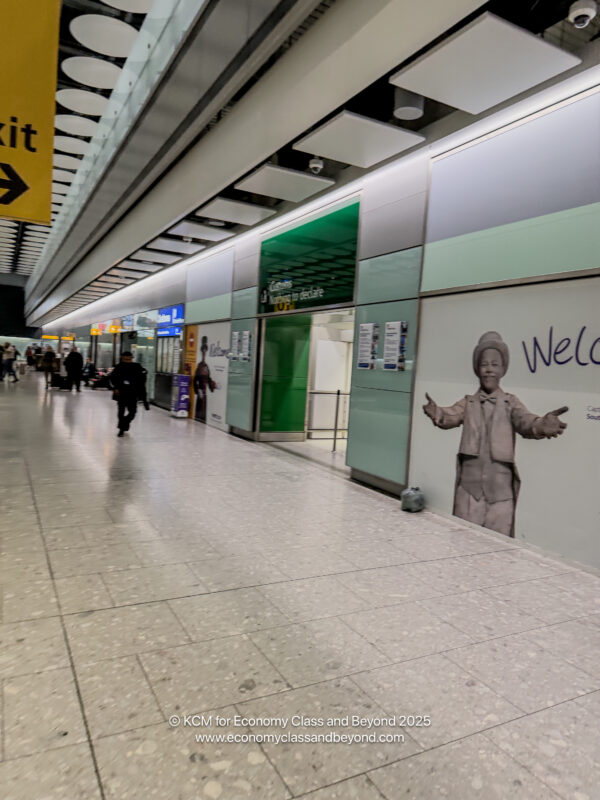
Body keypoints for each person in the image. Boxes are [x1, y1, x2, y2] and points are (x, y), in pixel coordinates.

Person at [423, 330, 568, 538]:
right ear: (477, 369)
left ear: (502, 370)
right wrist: (436, 412)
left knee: (499, 550)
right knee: (463, 544)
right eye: (484, 364)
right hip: (468, 493)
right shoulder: (468, 402)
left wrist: (542, 425)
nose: (489, 370)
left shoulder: (511, 403)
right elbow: (450, 416)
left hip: (501, 497)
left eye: (495, 364)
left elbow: (527, 422)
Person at [109, 351, 149, 437]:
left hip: (132, 393)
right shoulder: (119, 367)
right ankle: (121, 429)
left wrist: (144, 372)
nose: (127, 360)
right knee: (121, 411)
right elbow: (113, 378)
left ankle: (124, 424)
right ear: (122, 358)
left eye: (129, 358)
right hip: (121, 392)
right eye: (125, 359)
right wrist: (116, 387)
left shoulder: (137, 366)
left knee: (132, 412)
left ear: (131, 358)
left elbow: (142, 377)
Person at [193, 336, 216, 422]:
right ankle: (199, 417)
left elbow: (208, 378)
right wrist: (197, 389)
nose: (204, 352)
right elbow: (196, 379)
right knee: (200, 404)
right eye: (203, 350)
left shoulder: (206, 366)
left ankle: (201, 417)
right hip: (200, 391)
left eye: (205, 350)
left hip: (204, 392)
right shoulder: (200, 366)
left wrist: (211, 385)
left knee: (203, 405)